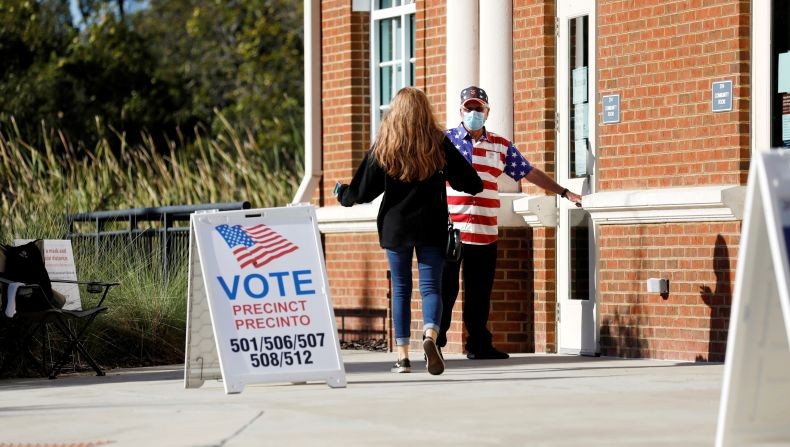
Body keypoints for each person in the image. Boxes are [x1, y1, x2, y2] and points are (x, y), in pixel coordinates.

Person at [336, 86, 483, 375]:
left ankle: (402, 357)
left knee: (401, 289)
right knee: (431, 287)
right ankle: (430, 335)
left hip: (396, 226)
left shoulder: (385, 144)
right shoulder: (438, 142)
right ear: (425, 111)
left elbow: (362, 191)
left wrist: (343, 194)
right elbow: (470, 182)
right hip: (431, 225)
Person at [439, 85, 583, 360]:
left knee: (480, 292)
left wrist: (564, 192)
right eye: (469, 108)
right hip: (451, 230)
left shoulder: (500, 145)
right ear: (460, 111)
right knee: (446, 289)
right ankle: (436, 341)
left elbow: (528, 172)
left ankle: (478, 345)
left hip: (485, 230)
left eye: (478, 108)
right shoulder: (445, 142)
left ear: (487, 112)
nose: (473, 112)